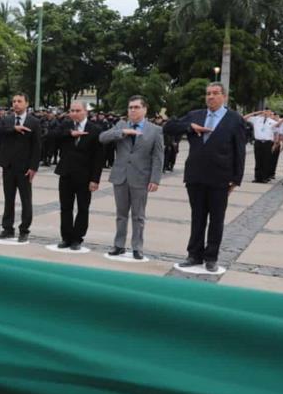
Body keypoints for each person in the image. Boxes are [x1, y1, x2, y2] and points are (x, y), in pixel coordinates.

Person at [164, 83, 246, 272]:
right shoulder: (195, 115)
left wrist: (236, 179)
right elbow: (169, 127)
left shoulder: (234, 119)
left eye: (215, 93)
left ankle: (211, 257)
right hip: (195, 175)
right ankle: (194, 255)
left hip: (220, 177)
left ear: (224, 96)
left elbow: (239, 151)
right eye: (208, 94)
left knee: (216, 219)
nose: (211, 97)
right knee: (197, 217)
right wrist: (189, 126)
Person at [98, 96, 164, 260]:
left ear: (144, 109)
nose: (132, 110)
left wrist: (155, 179)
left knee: (138, 215)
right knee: (121, 214)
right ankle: (119, 245)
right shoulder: (121, 125)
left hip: (141, 178)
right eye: (130, 107)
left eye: (136, 107)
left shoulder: (155, 130)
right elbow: (102, 137)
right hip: (120, 176)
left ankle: (137, 247)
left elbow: (158, 157)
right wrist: (122, 132)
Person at [52, 101, 104, 250]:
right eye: (72, 110)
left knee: (83, 208)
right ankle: (66, 237)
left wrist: (95, 179)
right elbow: (51, 135)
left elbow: (98, 158)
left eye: (77, 110)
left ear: (85, 112)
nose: (73, 113)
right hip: (66, 174)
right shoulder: (65, 126)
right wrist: (70, 134)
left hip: (85, 176)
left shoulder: (95, 130)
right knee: (65, 207)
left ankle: (77, 238)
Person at [0, 93, 41, 242]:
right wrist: (13, 128)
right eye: (14, 101)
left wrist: (33, 167)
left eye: (19, 101)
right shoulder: (6, 120)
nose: (16, 104)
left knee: (26, 200)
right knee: (9, 198)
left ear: (26, 103)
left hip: (25, 168)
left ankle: (24, 230)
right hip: (8, 166)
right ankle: (7, 228)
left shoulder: (34, 122)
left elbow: (37, 146)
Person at [244, 110, 278, 183]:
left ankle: (264, 178)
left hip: (268, 143)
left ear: (270, 114)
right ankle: (257, 178)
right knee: (258, 160)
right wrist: (255, 113)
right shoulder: (256, 119)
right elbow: (244, 118)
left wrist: (275, 144)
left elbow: (276, 133)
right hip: (258, 142)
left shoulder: (272, 122)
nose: (266, 113)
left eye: (268, 112)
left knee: (266, 160)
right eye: (265, 112)